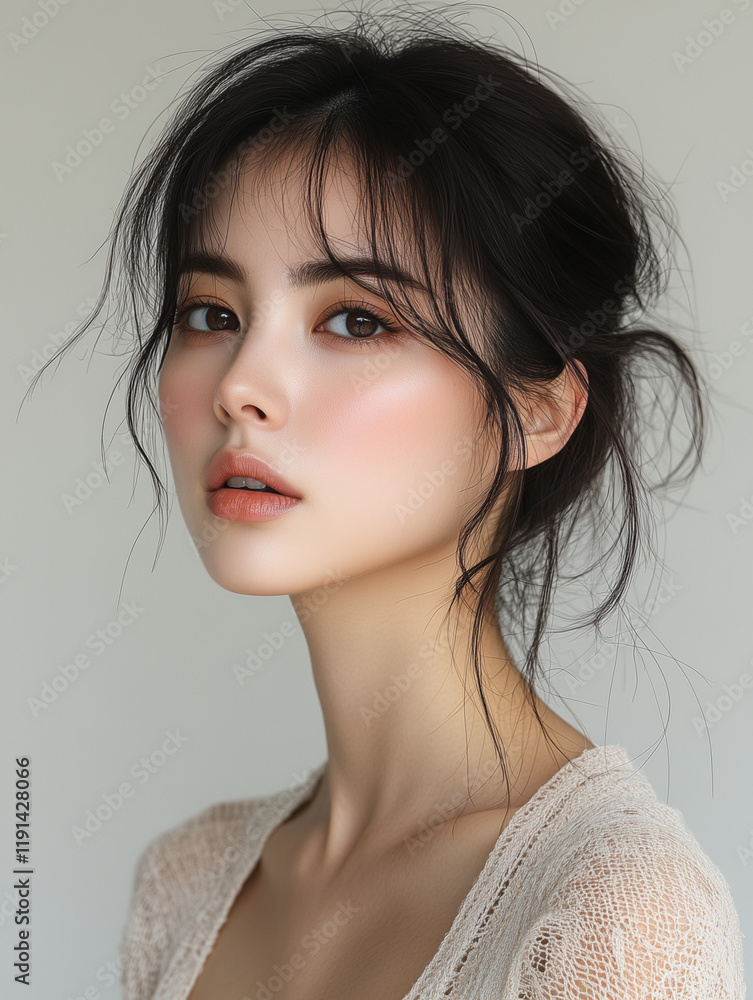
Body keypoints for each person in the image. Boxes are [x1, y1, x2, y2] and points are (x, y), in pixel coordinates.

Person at [30, 6, 746, 998]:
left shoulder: (611, 916)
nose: (242, 382)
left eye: (356, 319)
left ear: (537, 411)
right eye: (213, 312)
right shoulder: (187, 883)